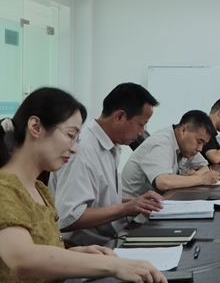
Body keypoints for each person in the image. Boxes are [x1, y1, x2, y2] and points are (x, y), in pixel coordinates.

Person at [0, 87, 165, 282]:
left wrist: (76, 252)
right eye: (70, 135)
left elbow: (43, 245)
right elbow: (23, 259)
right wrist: (114, 266)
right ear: (36, 127)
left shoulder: (39, 190)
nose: (75, 148)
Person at [48, 83, 163, 246]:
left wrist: (136, 202)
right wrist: (125, 208)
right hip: (83, 249)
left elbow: (98, 198)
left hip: (111, 239)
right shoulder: (83, 151)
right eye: (141, 124)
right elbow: (68, 217)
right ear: (119, 117)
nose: (141, 132)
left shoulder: (110, 145)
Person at [121, 110, 220, 198]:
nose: (200, 148)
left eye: (203, 144)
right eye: (199, 141)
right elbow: (163, 182)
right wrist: (200, 179)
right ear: (183, 130)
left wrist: (195, 176)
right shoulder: (162, 142)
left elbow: (205, 167)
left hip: (154, 203)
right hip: (131, 209)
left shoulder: (186, 146)